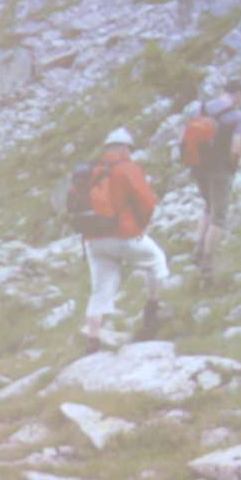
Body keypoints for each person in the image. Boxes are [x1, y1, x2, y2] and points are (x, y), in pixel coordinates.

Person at [80, 128, 169, 351]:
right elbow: (147, 201)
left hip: (94, 239)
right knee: (157, 262)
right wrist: (141, 226)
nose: (130, 153)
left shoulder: (91, 171)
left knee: (100, 288)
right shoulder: (128, 168)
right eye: (129, 149)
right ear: (123, 148)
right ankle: (152, 310)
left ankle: (93, 338)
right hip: (126, 234)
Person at [183, 80, 241, 285]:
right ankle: (207, 263)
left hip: (198, 167)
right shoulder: (237, 116)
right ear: (237, 94)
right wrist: (233, 166)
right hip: (220, 169)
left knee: (207, 207)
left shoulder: (200, 109)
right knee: (219, 217)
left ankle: (198, 247)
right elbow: (236, 150)